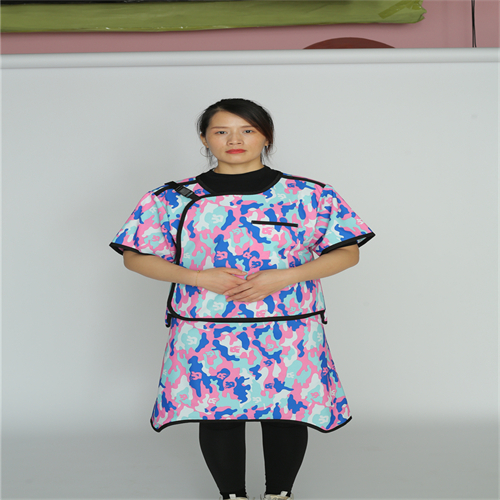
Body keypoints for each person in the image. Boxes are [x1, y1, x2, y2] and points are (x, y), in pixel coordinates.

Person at [110, 98, 375, 500]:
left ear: (266, 137)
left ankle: (279, 494)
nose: (235, 140)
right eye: (221, 131)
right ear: (205, 139)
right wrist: (198, 277)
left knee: (286, 412)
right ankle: (232, 495)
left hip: (287, 326)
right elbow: (134, 257)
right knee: (217, 413)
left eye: (247, 130)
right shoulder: (170, 198)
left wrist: (285, 277)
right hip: (207, 327)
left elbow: (347, 252)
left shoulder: (308, 195)